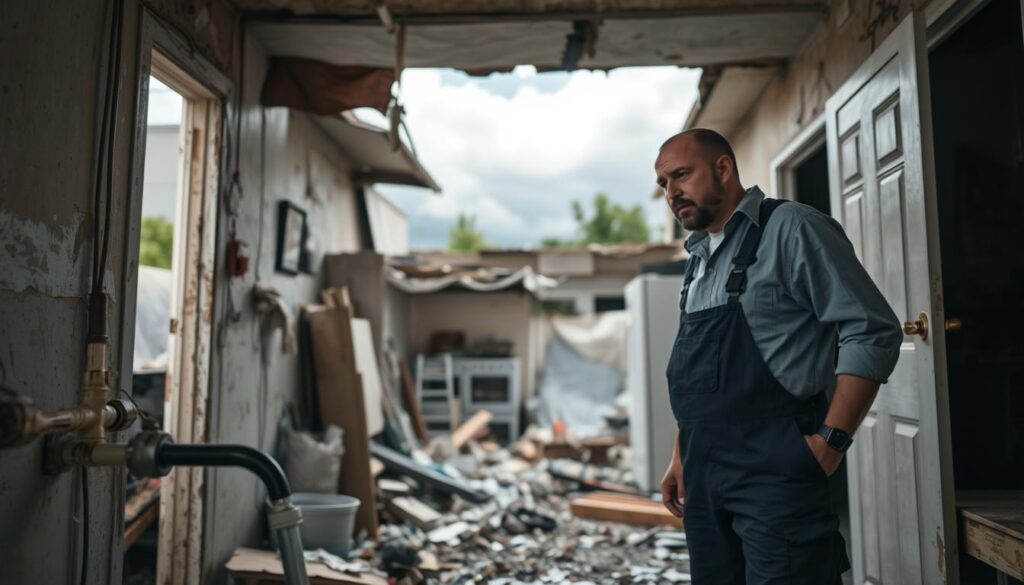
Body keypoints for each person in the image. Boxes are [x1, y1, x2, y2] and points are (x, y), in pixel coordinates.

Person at [655, 128, 903, 584]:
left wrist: (831, 442)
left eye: (681, 175)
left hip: (775, 470)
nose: (671, 193)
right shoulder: (698, 258)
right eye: (664, 184)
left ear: (723, 168)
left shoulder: (793, 228)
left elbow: (871, 329)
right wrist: (680, 454)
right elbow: (700, 378)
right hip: (704, 474)